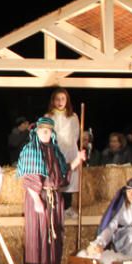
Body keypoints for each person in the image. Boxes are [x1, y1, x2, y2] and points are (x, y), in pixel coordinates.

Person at [16, 117, 86, 264]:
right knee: (37, 230)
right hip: (39, 196)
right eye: (43, 131)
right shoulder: (31, 150)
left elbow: (62, 172)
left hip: (54, 196)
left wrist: (77, 160)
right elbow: (29, 177)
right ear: (37, 131)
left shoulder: (54, 151)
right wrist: (36, 199)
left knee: (55, 229)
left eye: (49, 131)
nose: (46, 134)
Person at [85, 177, 132, 264]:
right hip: (124, 236)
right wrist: (100, 242)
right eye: (129, 191)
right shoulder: (121, 207)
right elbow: (111, 226)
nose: (131, 194)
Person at [46, 88, 80, 217]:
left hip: (70, 150)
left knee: (69, 178)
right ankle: (55, 208)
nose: (60, 102)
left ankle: (67, 207)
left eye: (63, 99)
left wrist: (70, 147)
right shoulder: (48, 117)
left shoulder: (73, 116)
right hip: (55, 151)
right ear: (53, 101)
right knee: (56, 178)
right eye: (57, 99)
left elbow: (75, 134)